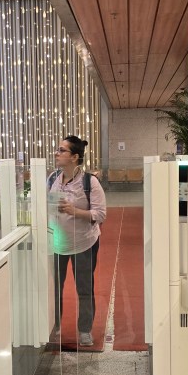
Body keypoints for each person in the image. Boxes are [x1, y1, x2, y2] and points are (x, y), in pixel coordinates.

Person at [48, 135, 106, 346]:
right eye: (58, 149)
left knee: (84, 288)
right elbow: (47, 204)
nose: (56, 153)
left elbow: (100, 214)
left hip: (84, 244)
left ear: (74, 157)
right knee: (54, 288)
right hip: (56, 243)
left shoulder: (90, 182)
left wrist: (75, 211)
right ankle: (54, 327)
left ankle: (84, 330)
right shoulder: (53, 178)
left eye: (61, 150)